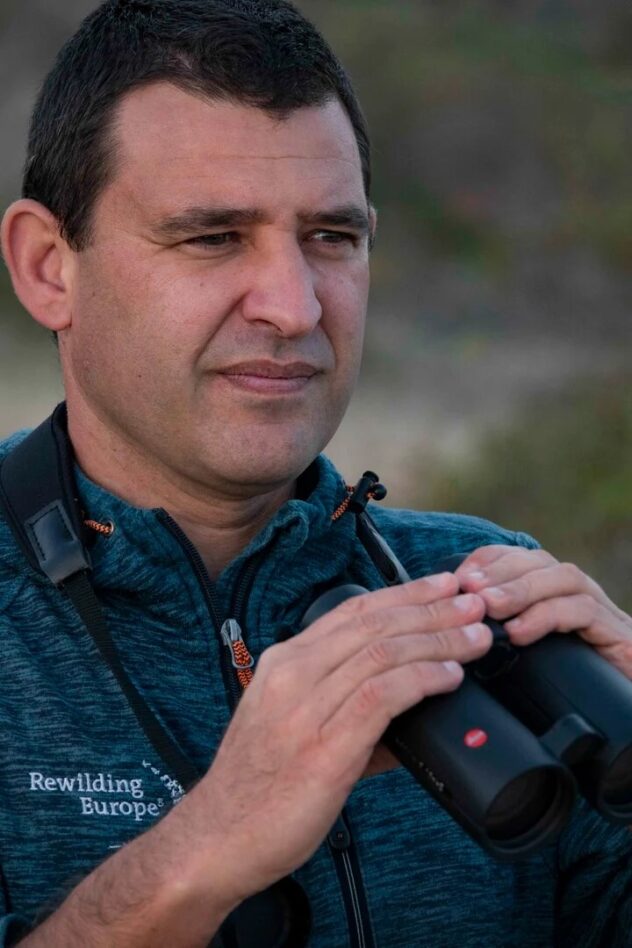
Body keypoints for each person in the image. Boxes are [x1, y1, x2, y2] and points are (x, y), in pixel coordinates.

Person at [0, 1, 630, 945]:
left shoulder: (485, 607)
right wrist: (206, 850)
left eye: (331, 237)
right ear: (50, 268)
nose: (294, 307)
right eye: (212, 237)